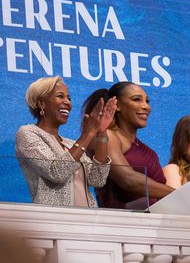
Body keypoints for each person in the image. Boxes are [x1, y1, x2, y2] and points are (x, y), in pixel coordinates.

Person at [15, 76, 117, 207]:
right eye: (60, 96)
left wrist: (101, 133)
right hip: (54, 220)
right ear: (41, 103)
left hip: (87, 219)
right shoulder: (27, 133)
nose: (67, 102)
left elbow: (97, 179)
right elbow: (56, 173)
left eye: (69, 98)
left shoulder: (70, 143)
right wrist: (88, 133)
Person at [83, 81, 174, 209]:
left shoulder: (149, 151)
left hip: (157, 222)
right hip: (122, 223)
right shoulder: (107, 136)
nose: (146, 107)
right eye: (136, 99)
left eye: (147, 101)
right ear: (117, 105)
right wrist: (176, 193)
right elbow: (128, 179)